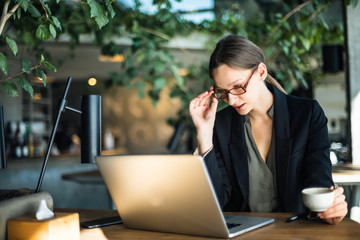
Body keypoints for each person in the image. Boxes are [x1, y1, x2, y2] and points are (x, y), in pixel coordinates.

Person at [189, 35, 347, 224]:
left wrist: (331, 207)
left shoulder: (306, 115)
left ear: (261, 72)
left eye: (238, 87)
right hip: (241, 234)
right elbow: (216, 202)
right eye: (222, 91)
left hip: (295, 231)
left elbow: (318, 181)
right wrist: (205, 135)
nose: (231, 100)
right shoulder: (219, 125)